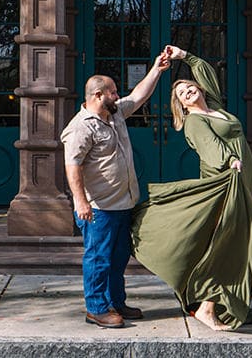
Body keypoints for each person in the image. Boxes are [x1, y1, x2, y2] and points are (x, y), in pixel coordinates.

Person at [131, 44, 252, 331]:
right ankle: (206, 306)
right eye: (181, 94)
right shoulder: (194, 121)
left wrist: (184, 57)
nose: (187, 92)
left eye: (189, 88)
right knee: (228, 246)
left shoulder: (215, 108)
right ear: (180, 104)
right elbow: (211, 149)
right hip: (222, 187)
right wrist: (230, 158)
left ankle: (223, 302)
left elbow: (206, 73)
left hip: (239, 185)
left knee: (233, 245)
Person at [61, 48, 171, 329]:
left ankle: (116, 302)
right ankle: (96, 308)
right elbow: (72, 165)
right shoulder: (81, 127)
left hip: (123, 203)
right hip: (99, 207)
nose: (117, 96)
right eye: (112, 92)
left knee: (118, 258)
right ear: (98, 95)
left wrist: (157, 68)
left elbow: (139, 96)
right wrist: (80, 201)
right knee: (98, 259)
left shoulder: (116, 113)